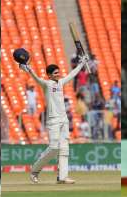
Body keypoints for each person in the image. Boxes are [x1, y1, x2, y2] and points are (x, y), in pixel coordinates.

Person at [16, 48, 87, 184]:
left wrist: (81, 64)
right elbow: (36, 78)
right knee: (54, 148)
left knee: (65, 148)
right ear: (49, 75)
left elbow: (72, 75)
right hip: (53, 120)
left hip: (64, 120)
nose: (58, 74)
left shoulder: (60, 82)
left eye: (58, 72)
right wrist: (28, 69)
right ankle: (34, 170)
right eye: (55, 73)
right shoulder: (47, 84)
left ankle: (62, 177)